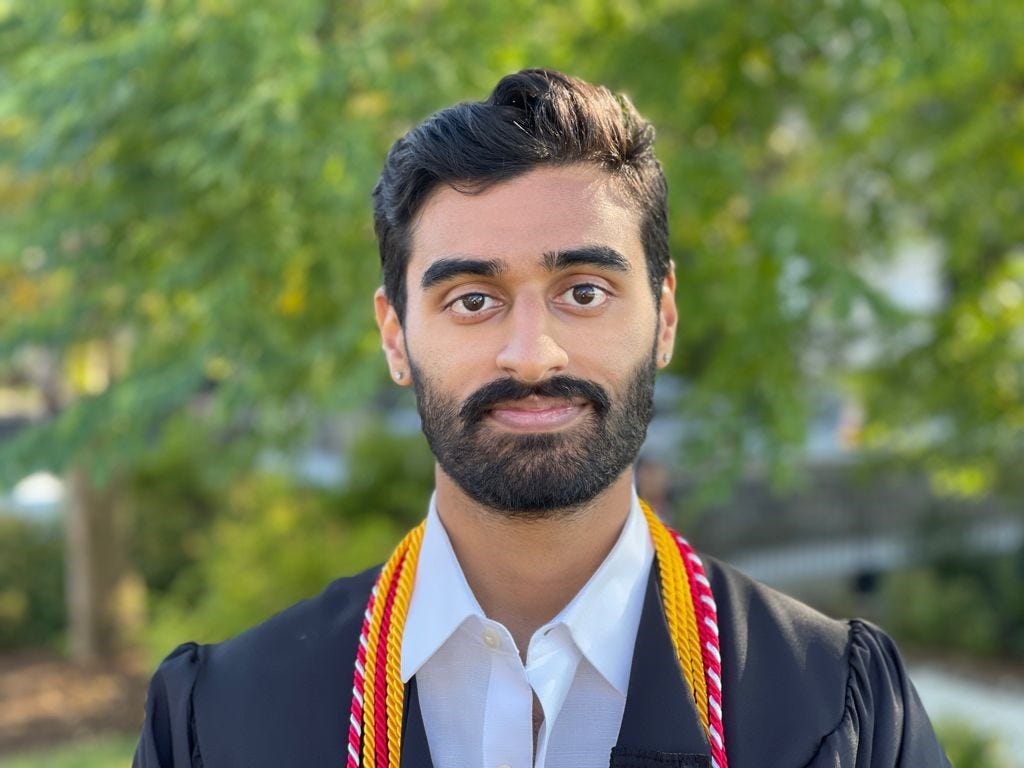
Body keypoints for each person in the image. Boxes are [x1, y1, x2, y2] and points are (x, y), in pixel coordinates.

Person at [133, 69, 951, 768]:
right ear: (395, 334)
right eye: (473, 300)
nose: (532, 356)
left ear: (663, 319)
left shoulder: (833, 711)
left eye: (584, 292)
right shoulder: (227, 725)